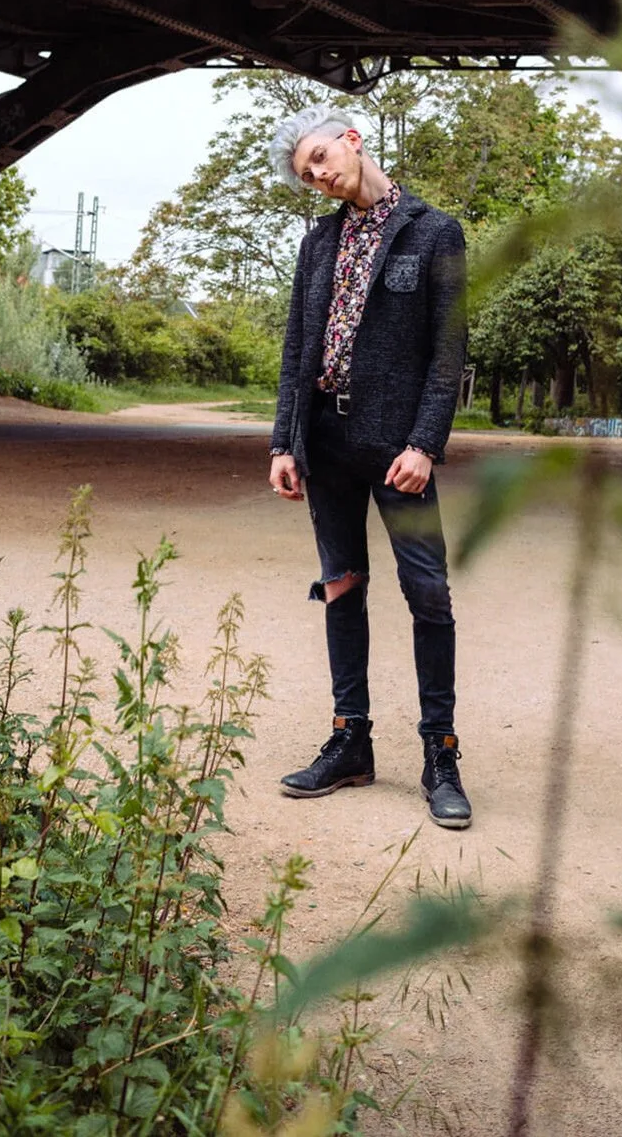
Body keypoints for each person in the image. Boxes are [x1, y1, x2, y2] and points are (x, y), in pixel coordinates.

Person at [267, 105, 471, 829]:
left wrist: (425, 441)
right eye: (305, 173)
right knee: (342, 588)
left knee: (429, 594)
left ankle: (439, 753)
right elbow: (297, 350)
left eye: (320, 158)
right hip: (326, 446)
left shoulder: (433, 231)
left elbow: (449, 354)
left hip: (398, 452)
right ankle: (351, 739)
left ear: (351, 139)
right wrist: (282, 444)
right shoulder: (317, 242)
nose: (316, 177)